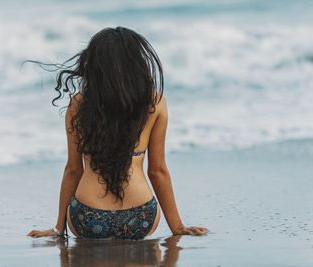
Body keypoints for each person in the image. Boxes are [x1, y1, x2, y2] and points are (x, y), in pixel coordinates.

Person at [27, 26, 208, 240]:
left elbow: (73, 170)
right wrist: (177, 226)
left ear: (94, 66)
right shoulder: (155, 103)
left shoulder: (78, 104)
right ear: (137, 64)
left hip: (88, 217)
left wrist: (59, 229)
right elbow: (157, 171)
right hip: (141, 216)